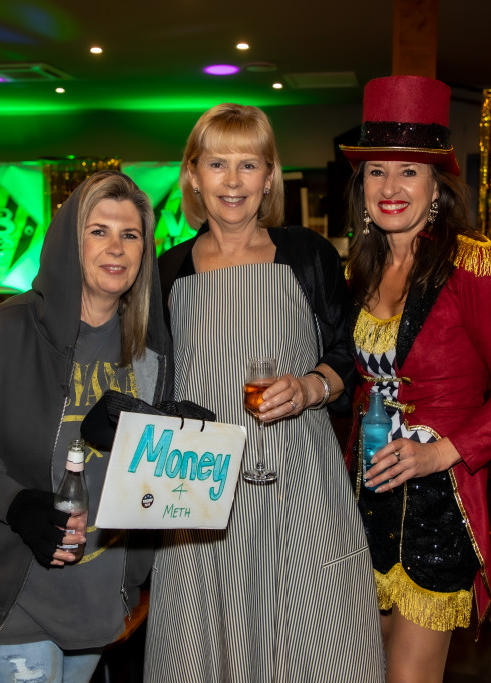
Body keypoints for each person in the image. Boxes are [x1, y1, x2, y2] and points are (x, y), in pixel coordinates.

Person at [145, 103, 385, 682]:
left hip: (300, 485)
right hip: (201, 492)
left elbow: (348, 353)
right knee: (204, 651)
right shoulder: (166, 272)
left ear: (270, 176)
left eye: (248, 165)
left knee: (318, 647)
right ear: (193, 175)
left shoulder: (307, 253)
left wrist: (309, 387)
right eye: (217, 164)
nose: (232, 181)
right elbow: (153, 383)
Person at [0, 171, 172, 682]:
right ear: (69, 242)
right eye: (98, 231)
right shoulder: (0, 334)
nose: (116, 247)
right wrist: (12, 500)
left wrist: (177, 434)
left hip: (97, 593)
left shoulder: (150, 349)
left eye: (130, 234)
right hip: (14, 592)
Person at [340, 76, 491, 682]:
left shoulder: (474, 266)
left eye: (409, 171)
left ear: (437, 185)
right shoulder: (361, 266)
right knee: (366, 666)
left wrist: (441, 453)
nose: (390, 187)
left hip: (439, 501)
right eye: (377, 171)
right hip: (366, 496)